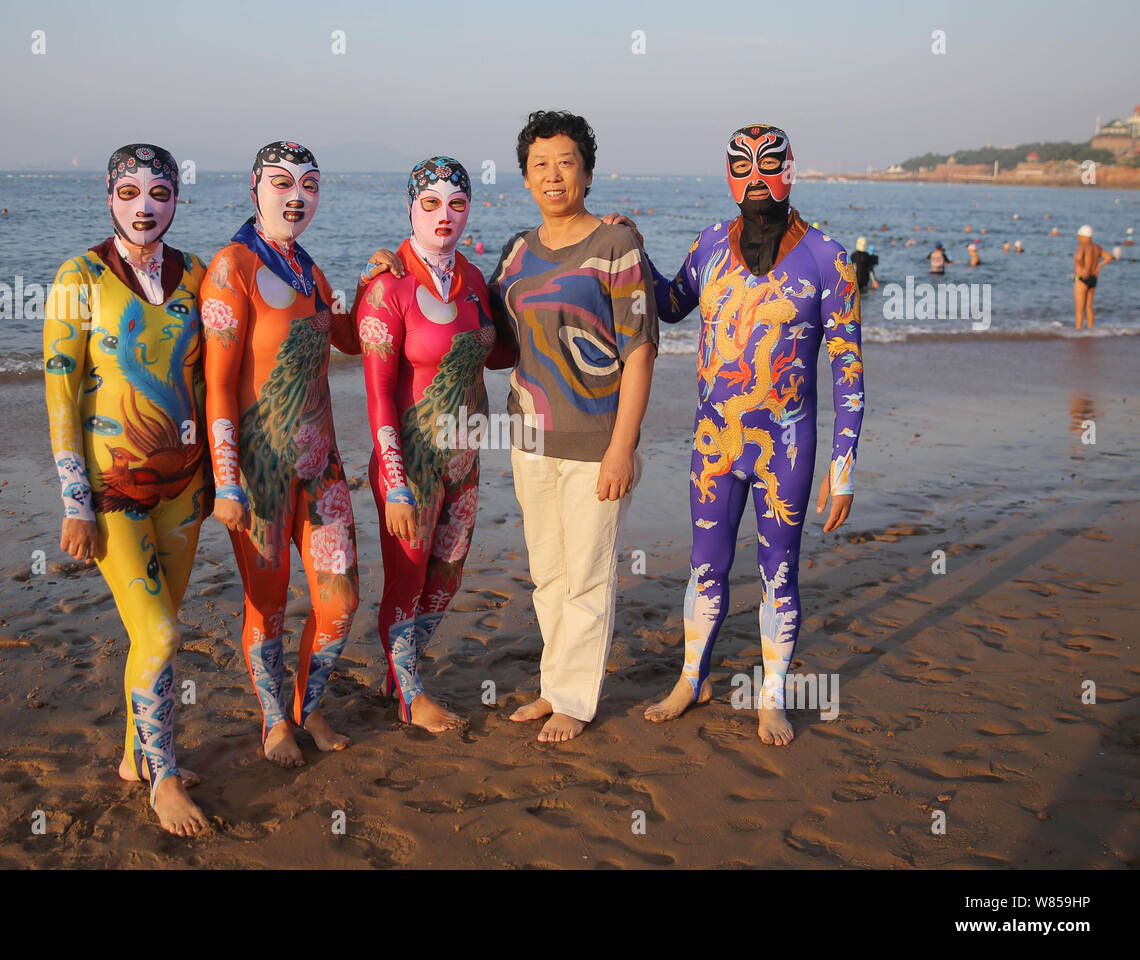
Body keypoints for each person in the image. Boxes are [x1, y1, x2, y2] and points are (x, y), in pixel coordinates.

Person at [627, 123, 864, 746]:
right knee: (705, 566)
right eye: (742, 165)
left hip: (786, 448)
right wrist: (633, 249)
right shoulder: (709, 244)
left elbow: (848, 371)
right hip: (713, 444)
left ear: (790, 168)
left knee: (778, 572)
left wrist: (842, 471)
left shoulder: (828, 259)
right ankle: (691, 679)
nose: (755, 176)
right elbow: (673, 302)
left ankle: (772, 697)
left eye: (769, 164)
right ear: (728, 174)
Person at [43, 143, 212, 835]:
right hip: (113, 493)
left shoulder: (199, 274)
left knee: (154, 638)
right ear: (108, 196)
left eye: (161, 193)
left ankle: (133, 758)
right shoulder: (78, 275)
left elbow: (234, 358)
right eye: (130, 192)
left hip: (185, 491)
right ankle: (164, 778)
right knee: (164, 632)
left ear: (178, 200)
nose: (146, 207)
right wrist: (74, 502)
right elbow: (58, 393)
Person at [489, 110, 658, 743]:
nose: (553, 175)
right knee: (547, 572)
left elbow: (639, 350)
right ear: (527, 179)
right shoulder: (516, 251)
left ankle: (574, 701)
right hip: (529, 435)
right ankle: (553, 683)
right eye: (539, 165)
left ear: (586, 171)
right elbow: (483, 325)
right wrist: (393, 269)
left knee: (587, 572)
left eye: (565, 162)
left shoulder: (615, 245)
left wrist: (623, 447)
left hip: (595, 439)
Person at [201, 140, 371, 767]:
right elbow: (219, 385)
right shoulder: (232, 268)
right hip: (259, 472)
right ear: (255, 189)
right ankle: (275, 722)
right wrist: (226, 480)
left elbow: (350, 339)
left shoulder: (308, 270)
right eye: (281, 182)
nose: (296, 196)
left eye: (310, 184)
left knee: (341, 602)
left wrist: (374, 281)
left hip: (321, 468)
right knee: (268, 604)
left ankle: (310, 705)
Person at [355, 157, 516, 732]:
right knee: (407, 578)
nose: (444, 216)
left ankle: (403, 671)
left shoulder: (472, 280)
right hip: (410, 466)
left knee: (446, 578)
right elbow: (376, 397)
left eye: (456, 203)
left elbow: (501, 353)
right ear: (410, 208)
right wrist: (395, 482)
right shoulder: (386, 286)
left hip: (466, 462)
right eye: (430, 204)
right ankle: (410, 695)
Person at [1074, 225, 1114, 330]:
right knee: (1089, 307)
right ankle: (1091, 330)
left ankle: (1078, 331)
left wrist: (1082, 268)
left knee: (1079, 309)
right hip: (1093, 278)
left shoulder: (1082, 246)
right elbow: (1109, 257)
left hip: (1081, 279)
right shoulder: (1097, 247)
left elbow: (1077, 257)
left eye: (1078, 236)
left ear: (1081, 235)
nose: (1077, 238)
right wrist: (1099, 266)